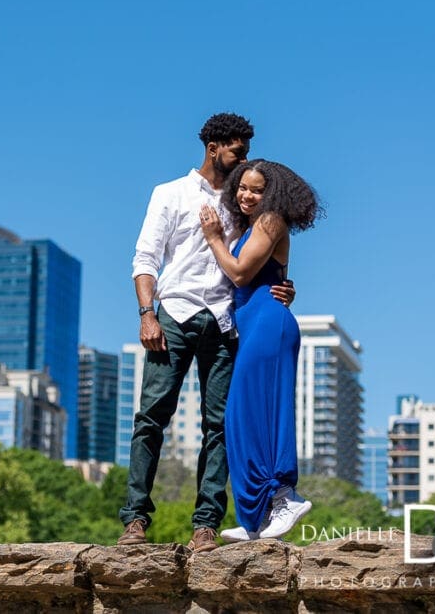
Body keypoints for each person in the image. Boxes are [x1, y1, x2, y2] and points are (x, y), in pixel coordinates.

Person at [118, 113, 295, 553]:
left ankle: (206, 526)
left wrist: (282, 286)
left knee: (218, 426)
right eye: (238, 150)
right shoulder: (170, 193)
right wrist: (146, 313)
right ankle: (135, 519)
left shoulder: (243, 202)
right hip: (172, 317)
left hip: (224, 322)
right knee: (150, 418)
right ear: (214, 147)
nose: (244, 159)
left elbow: (259, 257)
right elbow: (145, 258)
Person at [198, 159, 323, 542]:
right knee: (241, 418)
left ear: (272, 193)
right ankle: (260, 516)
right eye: (242, 188)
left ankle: (285, 496)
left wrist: (215, 237)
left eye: (256, 189)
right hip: (253, 326)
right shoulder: (254, 225)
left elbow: (239, 273)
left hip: (268, 326)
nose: (247, 195)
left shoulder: (271, 220)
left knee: (261, 414)